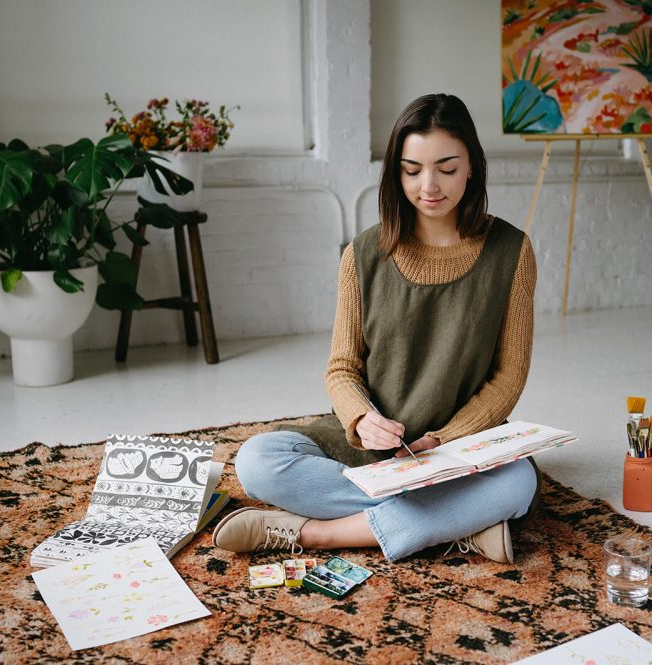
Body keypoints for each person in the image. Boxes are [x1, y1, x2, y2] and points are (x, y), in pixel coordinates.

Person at [212, 93, 539, 563]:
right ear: (395, 171)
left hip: (458, 448)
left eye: (447, 168)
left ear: (473, 167)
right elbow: (342, 369)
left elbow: (508, 378)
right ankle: (459, 526)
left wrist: (442, 441)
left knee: (518, 482)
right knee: (258, 461)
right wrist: (363, 421)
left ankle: (316, 534)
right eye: (412, 170)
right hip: (374, 451)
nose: (429, 185)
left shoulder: (512, 252)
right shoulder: (363, 255)